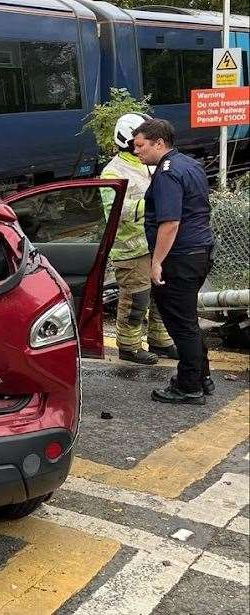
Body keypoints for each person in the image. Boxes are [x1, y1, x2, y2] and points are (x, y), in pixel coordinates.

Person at [133, 118, 215, 404]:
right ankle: (200, 377)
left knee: (180, 325)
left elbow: (170, 224)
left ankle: (189, 386)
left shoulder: (167, 173)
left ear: (159, 143)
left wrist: (156, 262)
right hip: (199, 253)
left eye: (141, 145)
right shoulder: (190, 165)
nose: (137, 151)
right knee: (188, 320)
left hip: (178, 257)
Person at [100, 113, 177, 365]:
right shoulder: (112, 172)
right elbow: (117, 210)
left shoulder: (152, 163)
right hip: (132, 249)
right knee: (136, 300)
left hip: (156, 245)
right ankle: (129, 346)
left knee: (161, 295)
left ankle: (160, 339)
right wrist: (156, 203)